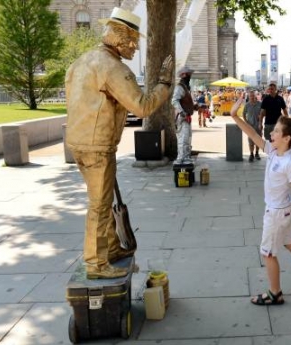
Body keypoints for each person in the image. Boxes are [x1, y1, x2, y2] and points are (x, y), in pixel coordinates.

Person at [65, 7, 174, 279]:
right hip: (97, 146)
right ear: (119, 38)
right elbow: (143, 106)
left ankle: (111, 249)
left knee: (103, 200)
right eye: (133, 41)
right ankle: (96, 263)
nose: (135, 48)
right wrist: (164, 84)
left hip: (80, 142)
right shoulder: (112, 67)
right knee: (100, 207)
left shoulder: (83, 61)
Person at [231, 94, 291, 306]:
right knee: (290, 244)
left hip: (277, 214)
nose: (271, 133)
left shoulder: (289, 163)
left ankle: (275, 293)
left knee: (268, 253)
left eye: (276, 132)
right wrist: (234, 116)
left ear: (287, 138)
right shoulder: (273, 150)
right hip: (280, 213)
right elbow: (253, 134)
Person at [172, 66, 195, 165]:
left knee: (187, 138)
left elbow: (186, 103)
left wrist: (196, 106)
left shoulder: (185, 88)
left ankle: (186, 157)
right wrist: (182, 112)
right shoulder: (180, 87)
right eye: (188, 74)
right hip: (182, 117)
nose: (190, 76)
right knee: (183, 139)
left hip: (186, 116)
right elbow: (174, 101)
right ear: (184, 75)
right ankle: (181, 158)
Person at [242, 90, 262, 162]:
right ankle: (251, 154)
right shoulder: (247, 105)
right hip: (250, 127)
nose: (252, 97)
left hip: (258, 126)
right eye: (250, 96)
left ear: (255, 96)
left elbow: (263, 113)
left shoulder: (260, 104)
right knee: (250, 141)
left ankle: (257, 153)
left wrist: (260, 119)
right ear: (249, 97)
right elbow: (243, 114)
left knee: (258, 140)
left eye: (253, 96)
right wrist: (246, 122)